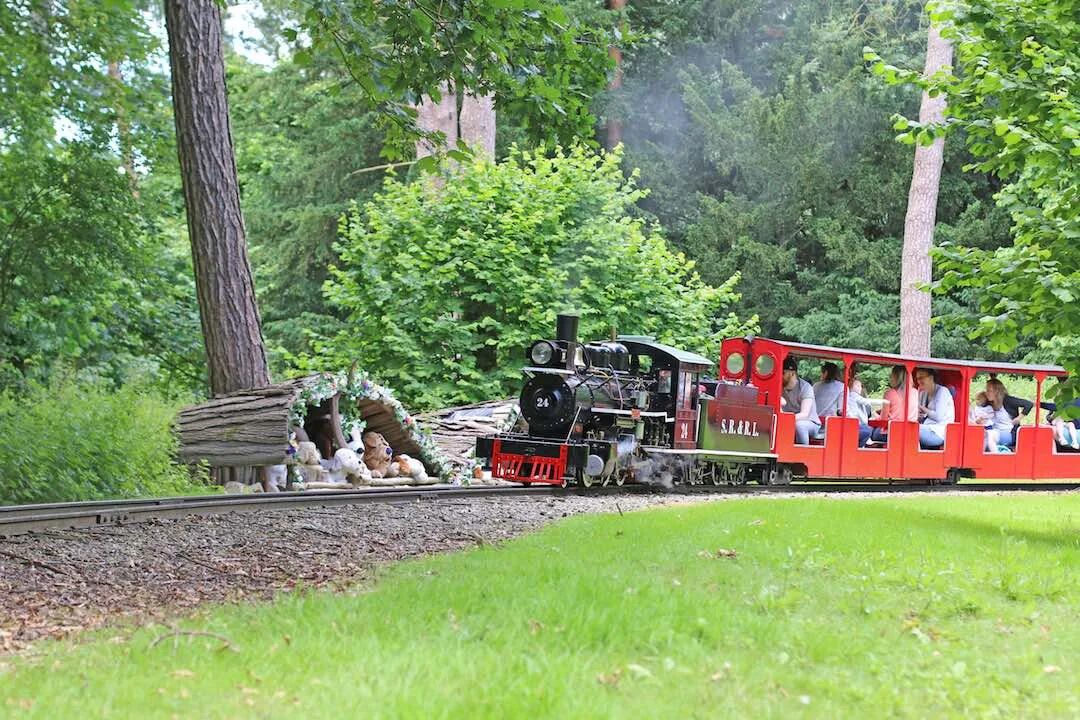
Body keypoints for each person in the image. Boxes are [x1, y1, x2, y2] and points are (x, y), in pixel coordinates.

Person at [869, 365, 919, 444]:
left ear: (896, 377)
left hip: (892, 433)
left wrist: (875, 417)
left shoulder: (890, 393)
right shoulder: (915, 392)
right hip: (910, 433)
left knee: (870, 431)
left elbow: (883, 420)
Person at [780, 356, 820, 445]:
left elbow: (804, 414)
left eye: (782, 373)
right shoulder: (779, 386)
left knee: (800, 425)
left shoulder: (806, 388)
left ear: (792, 373)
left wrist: (785, 419)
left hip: (810, 423)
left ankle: (804, 456)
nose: (780, 376)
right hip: (788, 420)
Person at [915, 367, 955, 449]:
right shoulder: (922, 393)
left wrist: (921, 408)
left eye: (921, 378)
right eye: (917, 378)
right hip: (926, 427)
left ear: (931, 378)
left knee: (910, 431)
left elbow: (938, 417)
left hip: (939, 432)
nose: (919, 381)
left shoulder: (943, 391)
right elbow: (922, 415)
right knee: (907, 428)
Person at [984, 378, 1017, 450]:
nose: (986, 393)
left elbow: (1028, 404)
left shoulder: (1008, 402)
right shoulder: (990, 404)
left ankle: (995, 457)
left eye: (989, 391)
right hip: (995, 432)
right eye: (986, 390)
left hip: (1007, 433)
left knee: (989, 434)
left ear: (997, 392)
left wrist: (1019, 417)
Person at [846, 378, 873, 447]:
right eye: (858, 386)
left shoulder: (850, 396)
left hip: (854, 421)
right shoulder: (854, 395)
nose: (860, 388)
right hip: (857, 422)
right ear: (854, 387)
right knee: (868, 430)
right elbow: (867, 402)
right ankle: (861, 446)